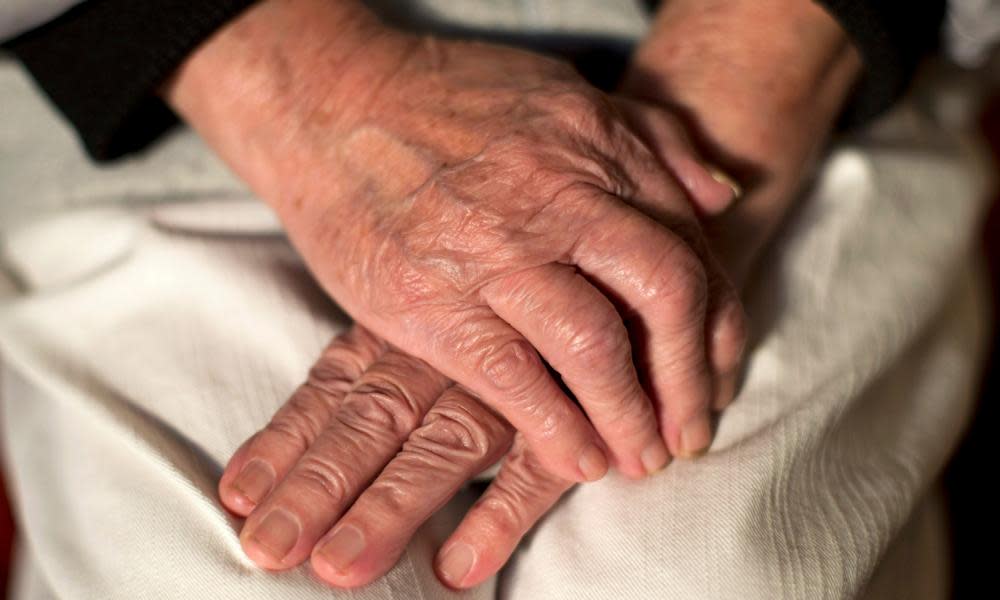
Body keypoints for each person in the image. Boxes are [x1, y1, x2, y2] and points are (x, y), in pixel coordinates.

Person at [0, 0, 994, 598]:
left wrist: (695, 145)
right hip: (167, 106)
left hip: (805, 84)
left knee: (697, 581)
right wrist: (304, 91)